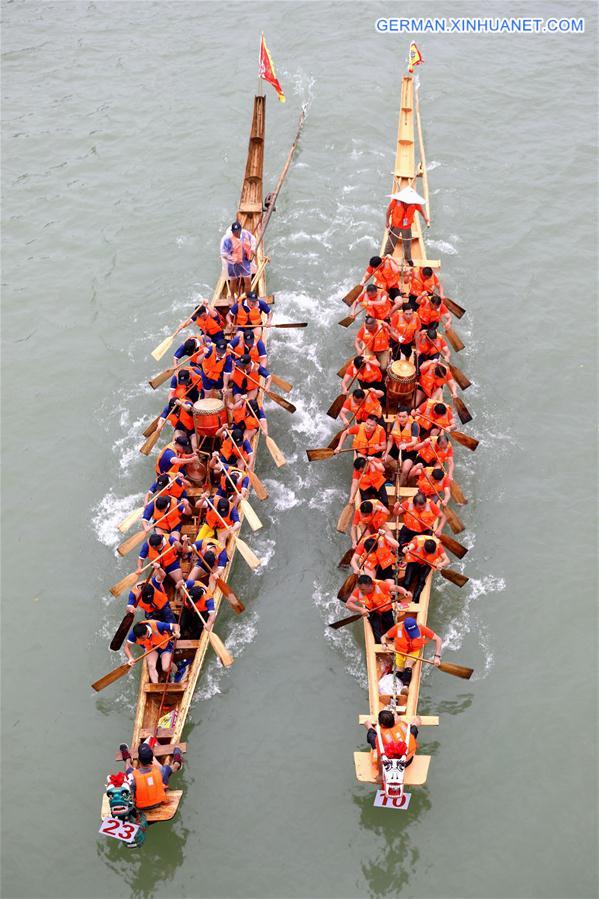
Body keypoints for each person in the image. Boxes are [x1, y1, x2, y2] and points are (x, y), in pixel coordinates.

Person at [119, 739, 183, 811]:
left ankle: (127, 759)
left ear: (139, 759)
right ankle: (178, 757)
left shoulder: (133, 775)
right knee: (167, 769)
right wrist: (177, 754)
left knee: (128, 770)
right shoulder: (161, 770)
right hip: (158, 802)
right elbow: (175, 767)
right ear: (152, 758)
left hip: (141, 807)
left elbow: (131, 794)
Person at [344, 574, 410, 642]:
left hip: (386, 609)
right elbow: (348, 604)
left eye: (363, 589)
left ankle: (393, 640)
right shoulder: (358, 591)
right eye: (360, 588)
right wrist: (361, 609)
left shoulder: (381, 585)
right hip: (372, 611)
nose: (361, 591)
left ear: (370, 586)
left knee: (390, 626)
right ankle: (380, 643)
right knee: (376, 629)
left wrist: (405, 592)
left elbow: (396, 588)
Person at [381, 616, 442, 686]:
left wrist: (437, 657)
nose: (413, 634)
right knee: (399, 672)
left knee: (408, 663)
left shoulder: (421, 628)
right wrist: (384, 644)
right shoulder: (398, 628)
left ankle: (405, 687)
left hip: (414, 650)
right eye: (411, 632)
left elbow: (438, 639)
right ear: (405, 629)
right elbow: (383, 637)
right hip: (400, 651)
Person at [124, 619, 180, 684]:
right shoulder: (133, 634)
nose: (142, 640)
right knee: (151, 665)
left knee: (165, 667)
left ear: (147, 631)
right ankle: (156, 686)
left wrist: (177, 632)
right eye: (140, 639)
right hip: (150, 648)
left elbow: (176, 626)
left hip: (164, 646)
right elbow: (126, 647)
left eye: (143, 638)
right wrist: (130, 658)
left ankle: (176, 671)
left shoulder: (157, 625)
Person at [401, 535, 450, 603]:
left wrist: (441, 564)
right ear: (423, 547)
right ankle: (401, 595)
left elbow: (447, 560)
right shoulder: (418, 541)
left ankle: (415, 601)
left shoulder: (439, 547)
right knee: (407, 581)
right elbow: (410, 546)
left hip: (426, 564)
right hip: (415, 561)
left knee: (421, 581)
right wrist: (407, 548)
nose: (427, 554)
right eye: (426, 552)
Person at [385, 193, 430, 262]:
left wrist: (426, 218)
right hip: (395, 225)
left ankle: (408, 259)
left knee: (407, 244)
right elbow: (388, 211)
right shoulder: (395, 201)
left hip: (407, 226)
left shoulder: (415, 203)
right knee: (391, 242)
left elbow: (421, 211)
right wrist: (387, 222)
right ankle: (386, 256)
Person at [384, 407, 420, 484]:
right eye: (399, 416)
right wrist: (386, 453)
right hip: (397, 447)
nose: (401, 419)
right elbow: (390, 441)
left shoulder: (414, 425)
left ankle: (399, 485)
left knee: (405, 470)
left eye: (404, 417)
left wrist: (406, 445)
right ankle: (395, 471)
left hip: (410, 450)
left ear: (408, 416)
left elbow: (414, 442)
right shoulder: (394, 423)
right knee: (385, 461)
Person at [220, 221, 256, 296]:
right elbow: (223, 253)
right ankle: (232, 296)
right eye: (234, 232)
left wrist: (253, 249)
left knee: (247, 280)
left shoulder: (245, 234)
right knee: (234, 280)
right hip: (233, 264)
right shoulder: (226, 239)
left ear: (240, 230)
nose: (236, 233)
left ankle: (247, 297)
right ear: (232, 231)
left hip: (245, 260)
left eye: (238, 231)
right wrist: (234, 259)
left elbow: (253, 239)